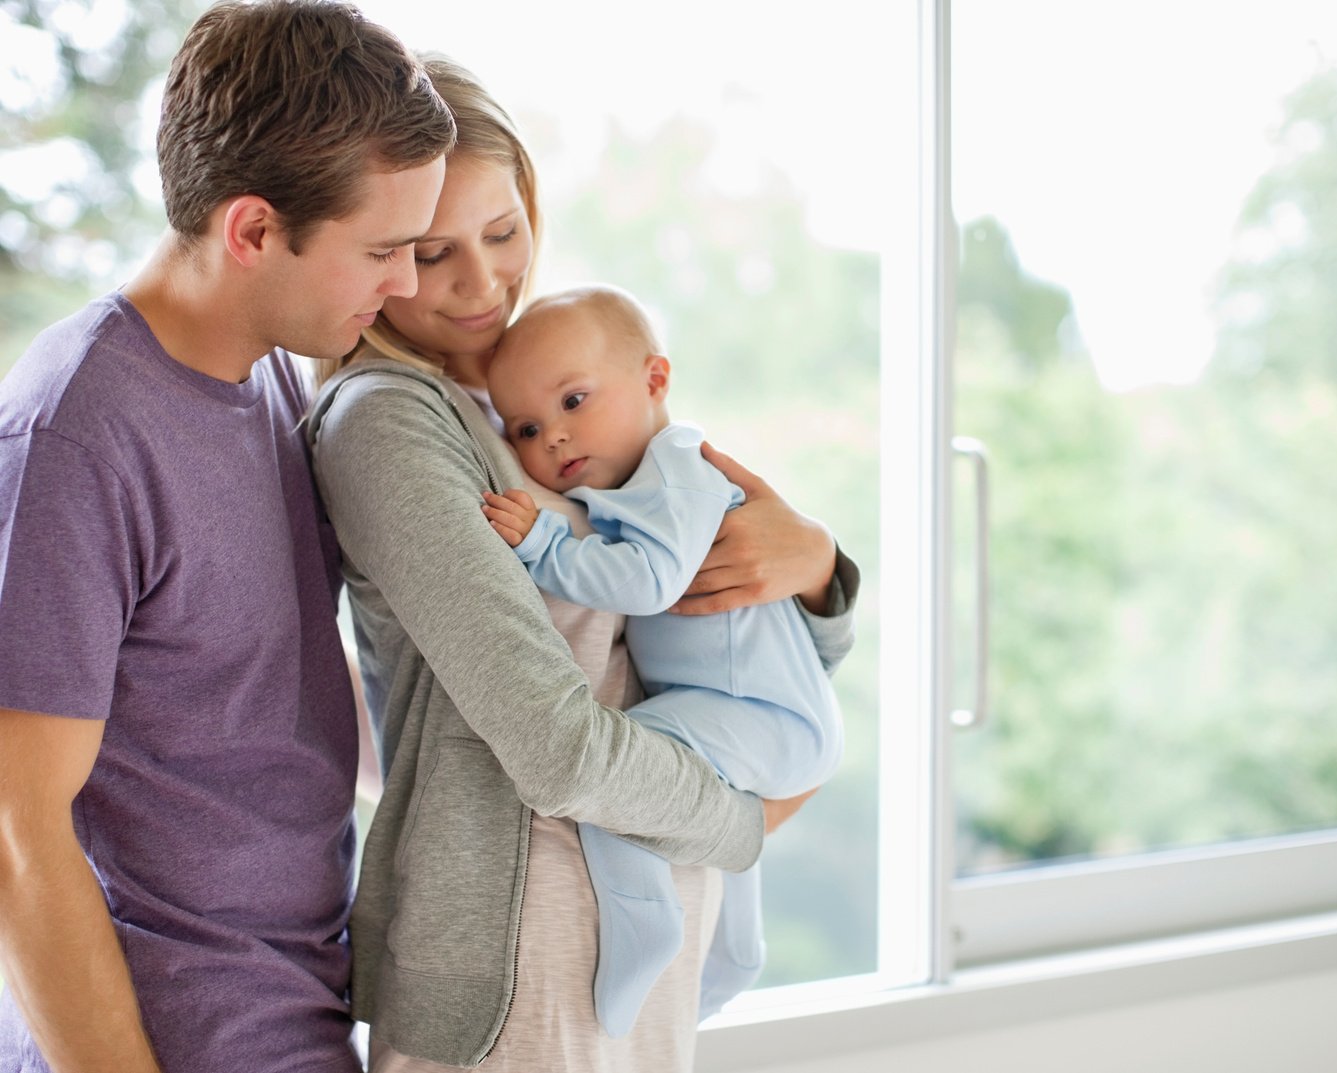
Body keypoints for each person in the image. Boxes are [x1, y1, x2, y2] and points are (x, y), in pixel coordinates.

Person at [304, 55, 859, 1073]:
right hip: (524, 935)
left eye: (504, 232)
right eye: (431, 252)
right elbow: (551, 740)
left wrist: (820, 569)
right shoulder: (389, 418)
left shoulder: (547, 387)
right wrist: (742, 822)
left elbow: (713, 600)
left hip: (635, 890)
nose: (482, 284)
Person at [0, 3, 456, 1072]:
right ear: (252, 230)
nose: (407, 284)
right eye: (383, 249)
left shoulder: (271, 374)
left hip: (295, 1015)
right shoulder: (77, 432)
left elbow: (251, 691)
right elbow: (19, 830)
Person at [481, 284, 844, 1037]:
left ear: (654, 380)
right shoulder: (641, 481)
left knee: (623, 776)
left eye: (574, 400)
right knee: (716, 845)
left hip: (766, 716)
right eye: (523, 426)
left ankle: (645, 926)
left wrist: (545, 545)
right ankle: (733, 959)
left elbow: (649, 583)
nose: (550, 437)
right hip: (754, 712)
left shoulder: (674, 471)